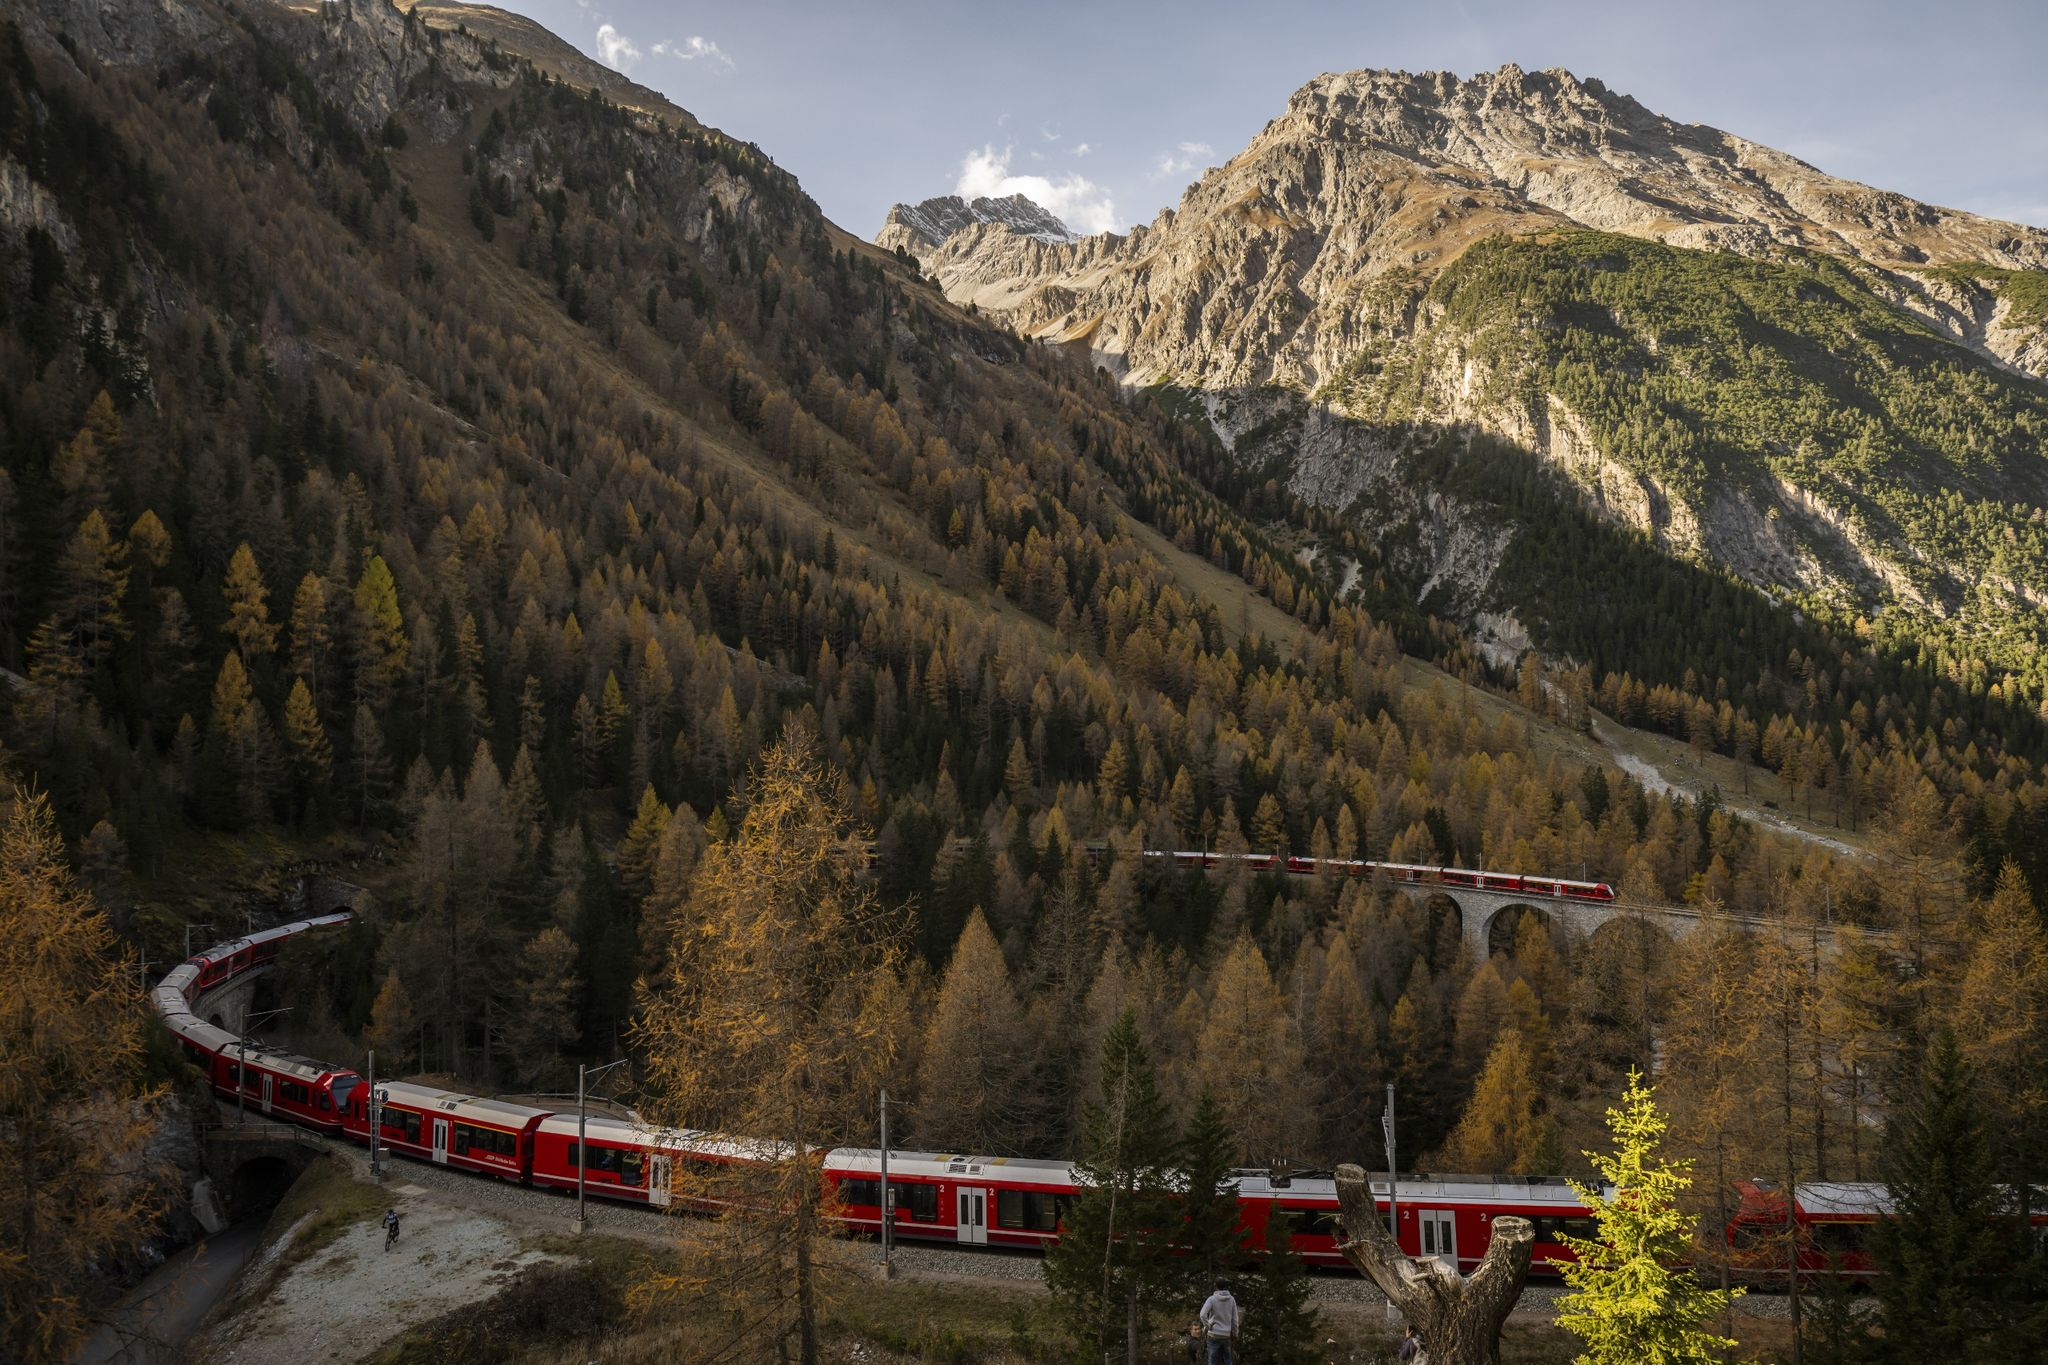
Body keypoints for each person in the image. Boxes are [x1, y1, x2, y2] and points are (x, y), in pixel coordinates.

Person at [1198, 1278, 1241, 1365]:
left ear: (1215, 1286)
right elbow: (1235, 1319)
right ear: (1225, 1286)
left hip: (1213, 1335)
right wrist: (1235, 1333)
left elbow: (1202, 1314)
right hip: (1226, 1335)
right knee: (1228, 1359)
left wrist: (1208, 1326)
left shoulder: (1211, 1299)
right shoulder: (1231, 1299)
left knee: (1212, 1361)